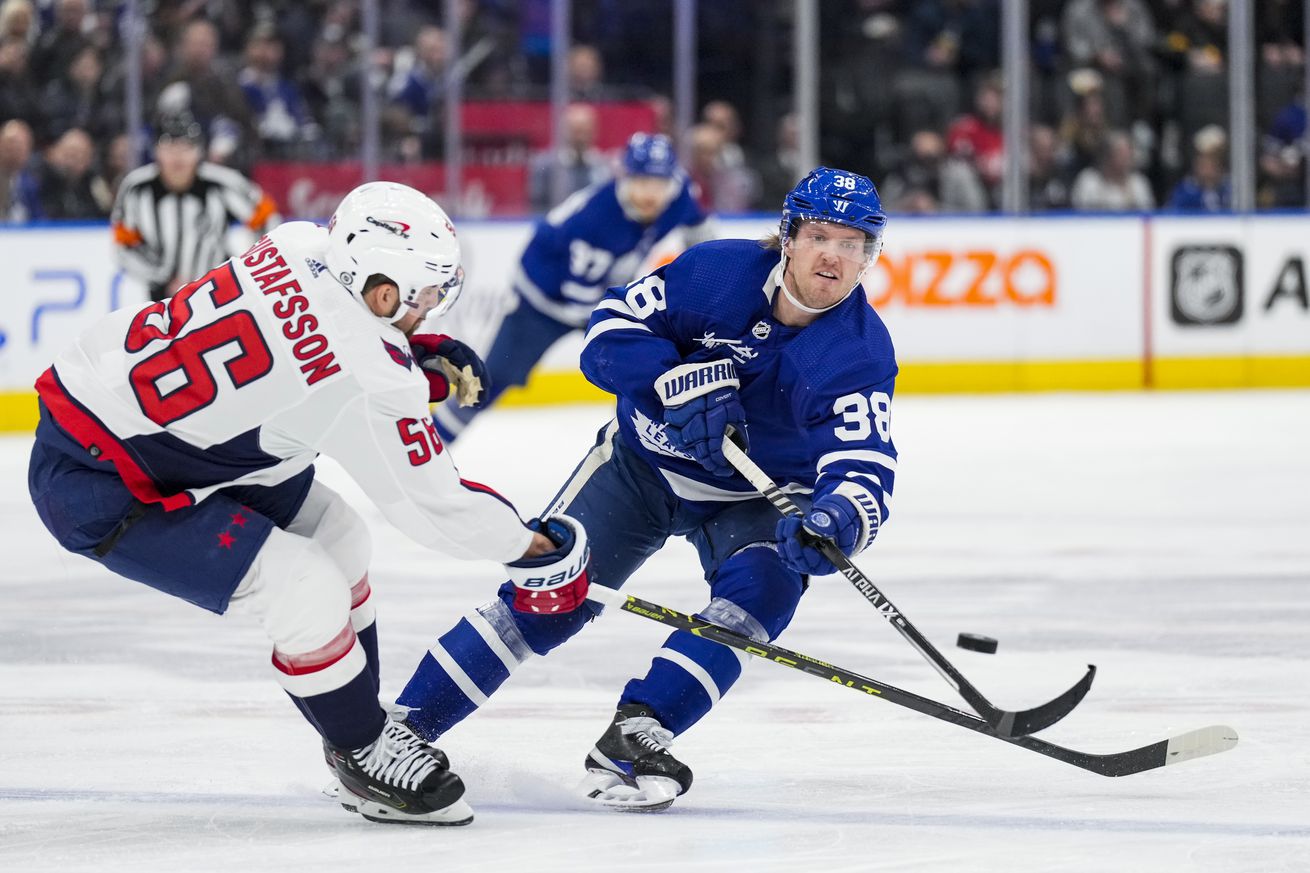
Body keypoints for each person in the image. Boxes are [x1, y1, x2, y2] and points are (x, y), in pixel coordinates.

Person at [27, 181, 590, 826]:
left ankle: (364, 725)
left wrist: (413, 354)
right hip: (104, 483)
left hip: (133, 422)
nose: (432, 310)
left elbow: (311, 343)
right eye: (426, 295)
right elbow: (436, 507)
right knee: (306, 589)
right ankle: (361, 750)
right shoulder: (367, 371)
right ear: (383, 289)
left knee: (341, 537)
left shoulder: (296, 242)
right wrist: (533, 548)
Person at [397, 167, 896, 812]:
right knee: (550, 598)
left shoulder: (858, 350)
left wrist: (837, 515)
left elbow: (866, 463)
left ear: (868, 257)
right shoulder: (715, 272)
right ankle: (401, 730)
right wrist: (670, 382)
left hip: (753, 499)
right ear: (790, 237)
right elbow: (605, 335)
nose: (834, 254)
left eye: (853, 242)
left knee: (763, 593)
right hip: (641, 470)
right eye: (821, 234)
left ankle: (636, 733)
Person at [432, 131, 715, 442]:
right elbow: (581, 301)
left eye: (659, 183)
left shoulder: (678, 194)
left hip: (600, 291)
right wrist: (616, 338)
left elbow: (700, 231)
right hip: (539, 301)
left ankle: (634, 446)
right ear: (625, 176)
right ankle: (433, 442)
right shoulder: (594, 218)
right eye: (642, 181)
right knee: (492, 378)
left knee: (639, 370)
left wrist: (709, 277)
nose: (651, 193)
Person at [111, 112, 281, 302]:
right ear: (155, 150)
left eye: (187, 147)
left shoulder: (223, 183)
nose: (178, 156)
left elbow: (268, 220)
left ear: (199, 151)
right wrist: (162, 278)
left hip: (219, 294)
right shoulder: (136, 188)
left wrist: (250, 269)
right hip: (162, 300)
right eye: (169, 147)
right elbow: (123, 245)